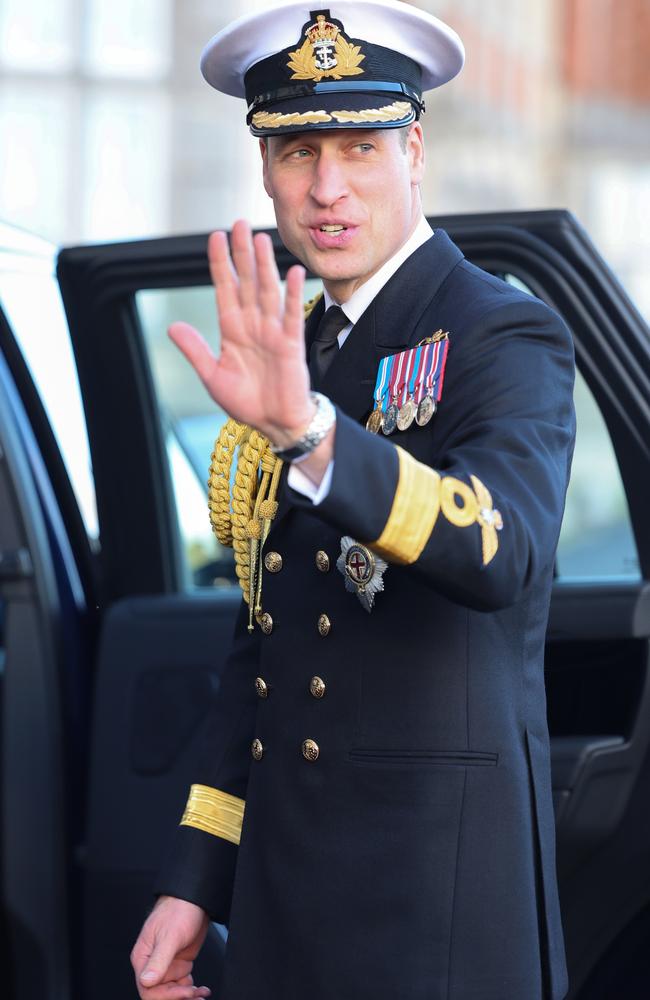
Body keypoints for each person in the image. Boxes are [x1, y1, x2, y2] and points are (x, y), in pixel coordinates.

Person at [130, 2, 575, 998]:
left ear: (414, 151)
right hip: (287, 907)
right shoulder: (302, 347)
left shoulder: (503, 331)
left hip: (434, 915)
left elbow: (497, 550)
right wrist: (193, 882)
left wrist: (311, 434)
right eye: (296, 152)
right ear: (264, 171)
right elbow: (264, 648)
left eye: (359, 147)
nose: (325, 188)